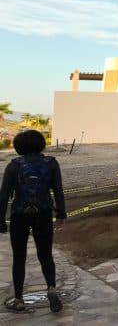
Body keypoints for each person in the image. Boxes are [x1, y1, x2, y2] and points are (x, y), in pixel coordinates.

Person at [0, 130, 65, 313]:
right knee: (45, 254)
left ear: (19, 146)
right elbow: (58, 190)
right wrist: (61, 214)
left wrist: (0, 220)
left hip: (19, 216)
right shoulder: (51, 164)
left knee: (19, 258)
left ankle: (19, 299)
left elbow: (3, 196)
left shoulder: (14, 166)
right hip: (43, 214)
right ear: (41, 144)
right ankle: (51, 288)